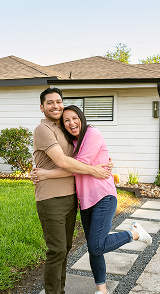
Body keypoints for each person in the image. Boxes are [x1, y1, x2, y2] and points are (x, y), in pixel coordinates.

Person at [32, 105, 152, 294]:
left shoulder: (92, 133)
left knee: (96, 246)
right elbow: (75, 164)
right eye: (66, 121)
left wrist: (46, 174)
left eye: (74, 118)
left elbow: (78, 165)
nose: (71, 123)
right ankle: (101, 290)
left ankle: (134, 234)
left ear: (81, 117)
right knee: (94, 247)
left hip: (103, 197)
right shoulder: (73, 142)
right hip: (85, 201)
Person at [33, 87, 113, 294]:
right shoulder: (44, 130)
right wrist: (94, 170)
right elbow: (62, 161)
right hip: (51, 197)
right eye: (49, 103)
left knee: (65, 249)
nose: (55, 106)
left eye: (58, 101)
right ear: (42, 108)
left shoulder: (66, 130)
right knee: (57, 250)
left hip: (72, 197)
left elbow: (81, 159)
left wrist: (102, 164)